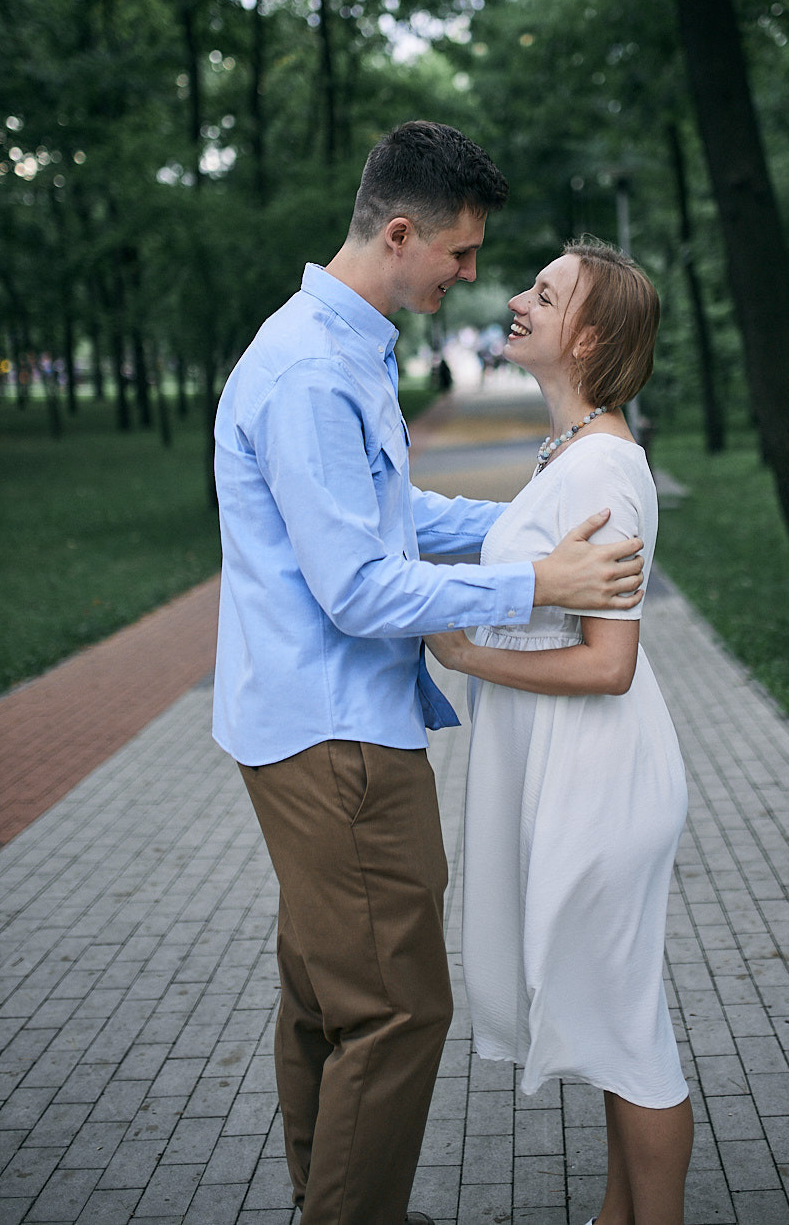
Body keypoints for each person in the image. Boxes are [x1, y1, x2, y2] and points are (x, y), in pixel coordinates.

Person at [211, 123, 646, 1225]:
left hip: (312, 724)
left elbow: (390, 517)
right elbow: (360, 588)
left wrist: (522, 529)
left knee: (325, 1002)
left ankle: (342, 1204)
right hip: (339, 741)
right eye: (458, 253)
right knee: (397, 1014)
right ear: (399, 233)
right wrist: (539, 583)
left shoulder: (337, 346)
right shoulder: (311, 371)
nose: (470, 276)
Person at [426, 239, 692, 1225]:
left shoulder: (607, 470)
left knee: (633, 1038)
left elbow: (607, 662)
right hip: (567, 773)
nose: (516, 299)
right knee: (619, 1028)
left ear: (590, 334)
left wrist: (465, 655)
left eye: (545, 293)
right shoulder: (572, 456)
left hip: (602, 784)